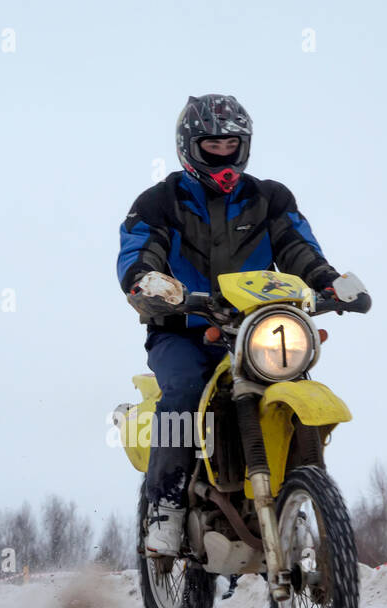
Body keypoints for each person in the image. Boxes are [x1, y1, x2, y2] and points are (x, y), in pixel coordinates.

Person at [117, 94, 363, 556]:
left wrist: (328, 282)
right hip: (183, 329)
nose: (224, 153)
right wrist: (146, 281)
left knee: (293, 377)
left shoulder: (269, 198)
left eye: (232, 144)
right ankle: (166, 506)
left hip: (256, 330)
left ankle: (302, 492)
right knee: (185, 392)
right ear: (190, 146)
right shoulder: (158, 202)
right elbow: (139, 250)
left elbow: (297, 247)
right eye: (213, 144)